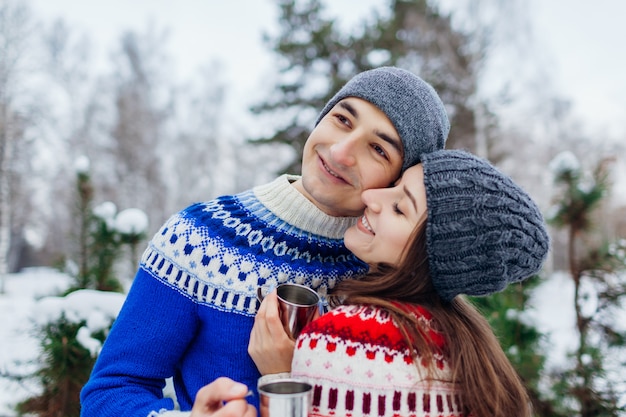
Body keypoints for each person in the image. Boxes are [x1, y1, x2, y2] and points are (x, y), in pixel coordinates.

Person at [79, 66, 450, 416]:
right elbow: (110, 391)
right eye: (342, 120)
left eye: (378, 149)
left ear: (398, 182)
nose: (340, 152)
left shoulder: (394, 280)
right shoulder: (200, 239)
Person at [249, 149, 550, 417]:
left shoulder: (351, 340)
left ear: (432, 255)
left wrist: (282, 377)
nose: (371, 197)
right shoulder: (465, 349)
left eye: (399, 208)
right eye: (394, 187)